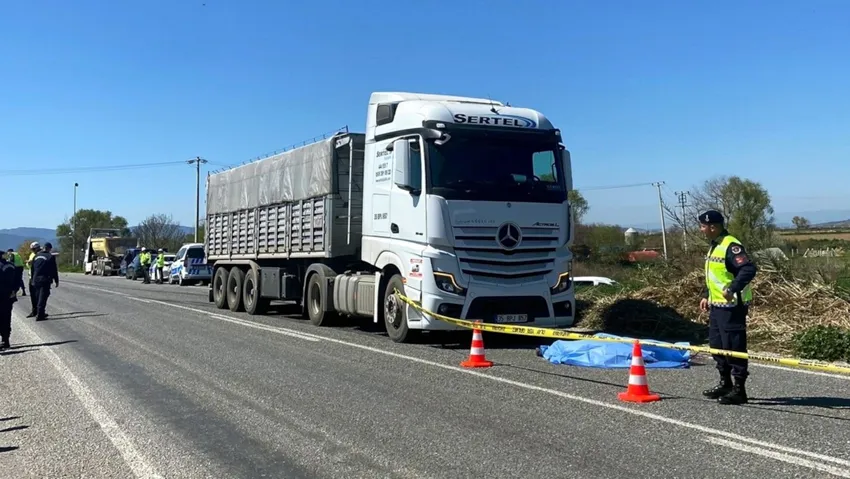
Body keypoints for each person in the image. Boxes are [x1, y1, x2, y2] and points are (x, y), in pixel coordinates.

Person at [698, 210, 757, 405]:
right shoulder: (715, 245)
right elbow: (716, 275)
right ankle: (725, 383)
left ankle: (740, 390)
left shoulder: (731, 245)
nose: (701, 229)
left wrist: (732, 288)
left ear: (713, 227)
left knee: (734, 347)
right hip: (717, 306)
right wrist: (707, 295)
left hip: (732, 306)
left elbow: (748, 269)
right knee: (717, 346)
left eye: (703, 226)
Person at [30, 242, 59, 321]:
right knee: (42, 297)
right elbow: (54, 270)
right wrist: (56, 280)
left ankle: (39, 312)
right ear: (49, 249)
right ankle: (40, 315)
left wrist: (32, 280)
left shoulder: (36, 256)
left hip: (35, 280)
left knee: (38, 296)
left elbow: (32, 269)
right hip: (44, 279)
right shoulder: (50, 256)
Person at [0, 251, 17, 349]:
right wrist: (14, 290)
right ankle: (5, 340)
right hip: (8, 296)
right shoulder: (10, 266)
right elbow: (18, 279)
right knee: (6, 317)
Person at [25, 242, 41, 317]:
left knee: (38, 295)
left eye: (34, 249)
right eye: (32, 249)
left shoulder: (40, 254)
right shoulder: (32, 254)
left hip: (36, 278)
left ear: (38, 248)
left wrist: (32, 262)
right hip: (31, 277)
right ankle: (34, 311)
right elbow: (29, 265)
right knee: (33, 295)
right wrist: (29, 263)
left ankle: (39, 311)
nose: (33, 250)